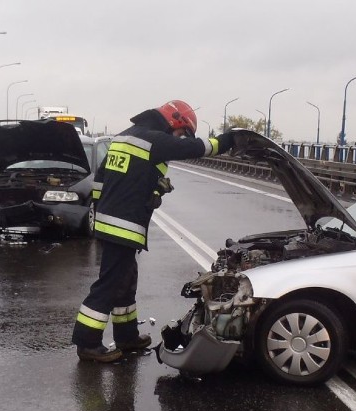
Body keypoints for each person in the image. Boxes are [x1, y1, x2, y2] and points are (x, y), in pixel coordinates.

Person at [72, 100, 235, 362]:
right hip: (123, 225)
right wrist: (228, 140)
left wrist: (149, 192)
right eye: (182, 132)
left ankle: (126, 336)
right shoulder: (154, 140)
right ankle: (87, 343)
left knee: (125, 284)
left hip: (111, 221)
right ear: (175, 121)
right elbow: (197, 148)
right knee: (110, 284)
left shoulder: (124, 137)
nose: (180, 138)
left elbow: (103, 178)